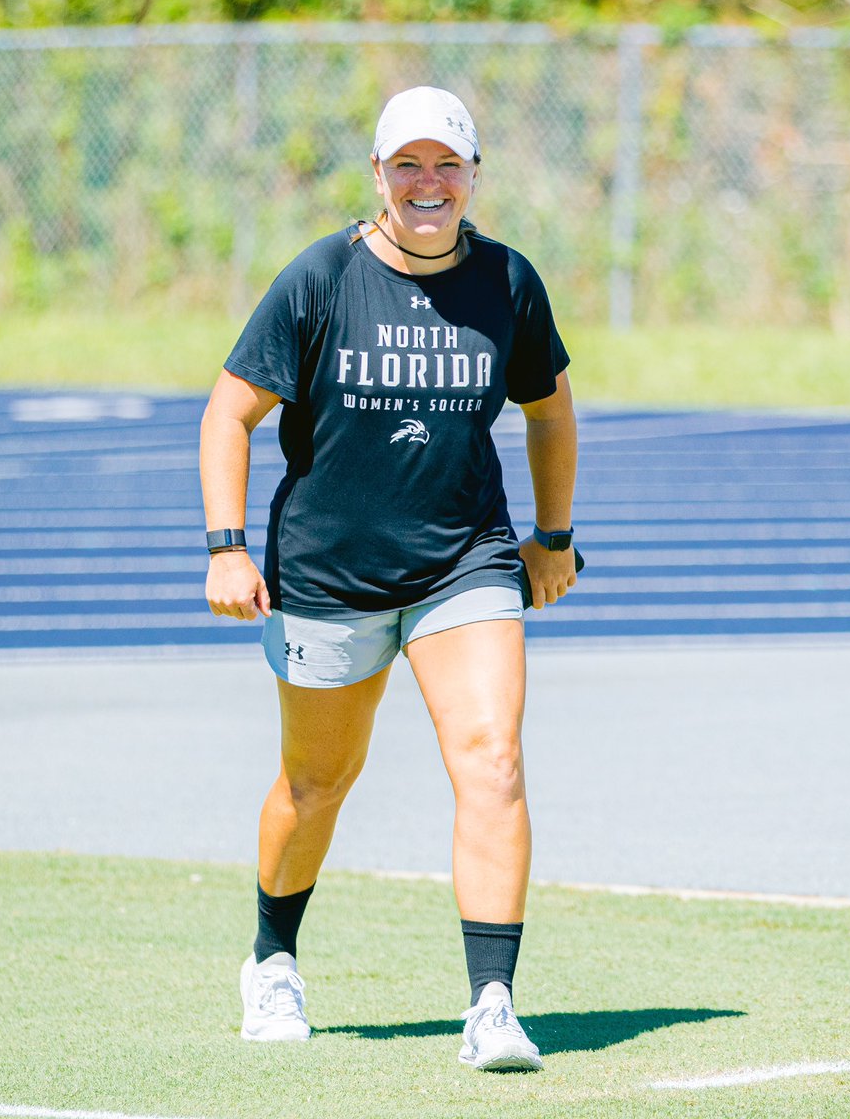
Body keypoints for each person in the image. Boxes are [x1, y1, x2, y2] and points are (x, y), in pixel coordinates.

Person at [200, 85, 578, 1072]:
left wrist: (553, 536)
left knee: (493, 759)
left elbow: (548, 410)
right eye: (407, 164)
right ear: (377, 173)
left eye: (447, 164)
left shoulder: (507, 280)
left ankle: (492, 1005)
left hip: (466, 563)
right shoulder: (322, 277)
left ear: (473, 175)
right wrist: (226, 546)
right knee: (317, 781)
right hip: (329, 575)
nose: (427, 183)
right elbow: (227, 412)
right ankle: (272, 958)